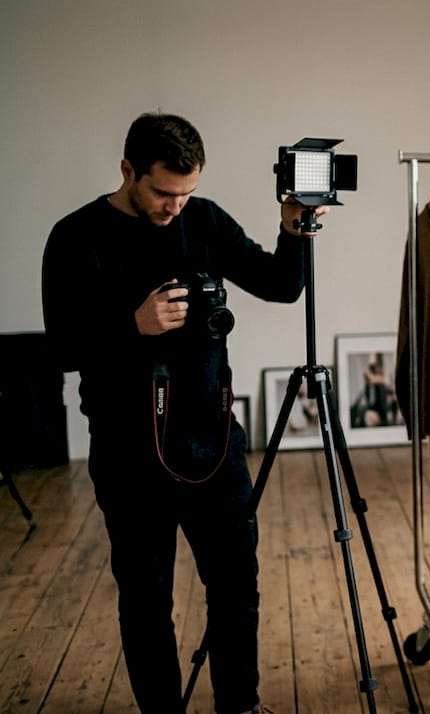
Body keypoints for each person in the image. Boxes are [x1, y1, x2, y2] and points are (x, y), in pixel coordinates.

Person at [41, 112, 325, 714]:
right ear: (128, 170)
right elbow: (61, 350)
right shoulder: (76, 236)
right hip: (127, 451)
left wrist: (293, 232)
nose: (175, 206)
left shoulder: (204, 219)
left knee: (236, 586)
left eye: (186, 192)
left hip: (214, 442)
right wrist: (133, 326)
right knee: (147, 600)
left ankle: (240, 705)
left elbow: (280, 285)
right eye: (163, 192)